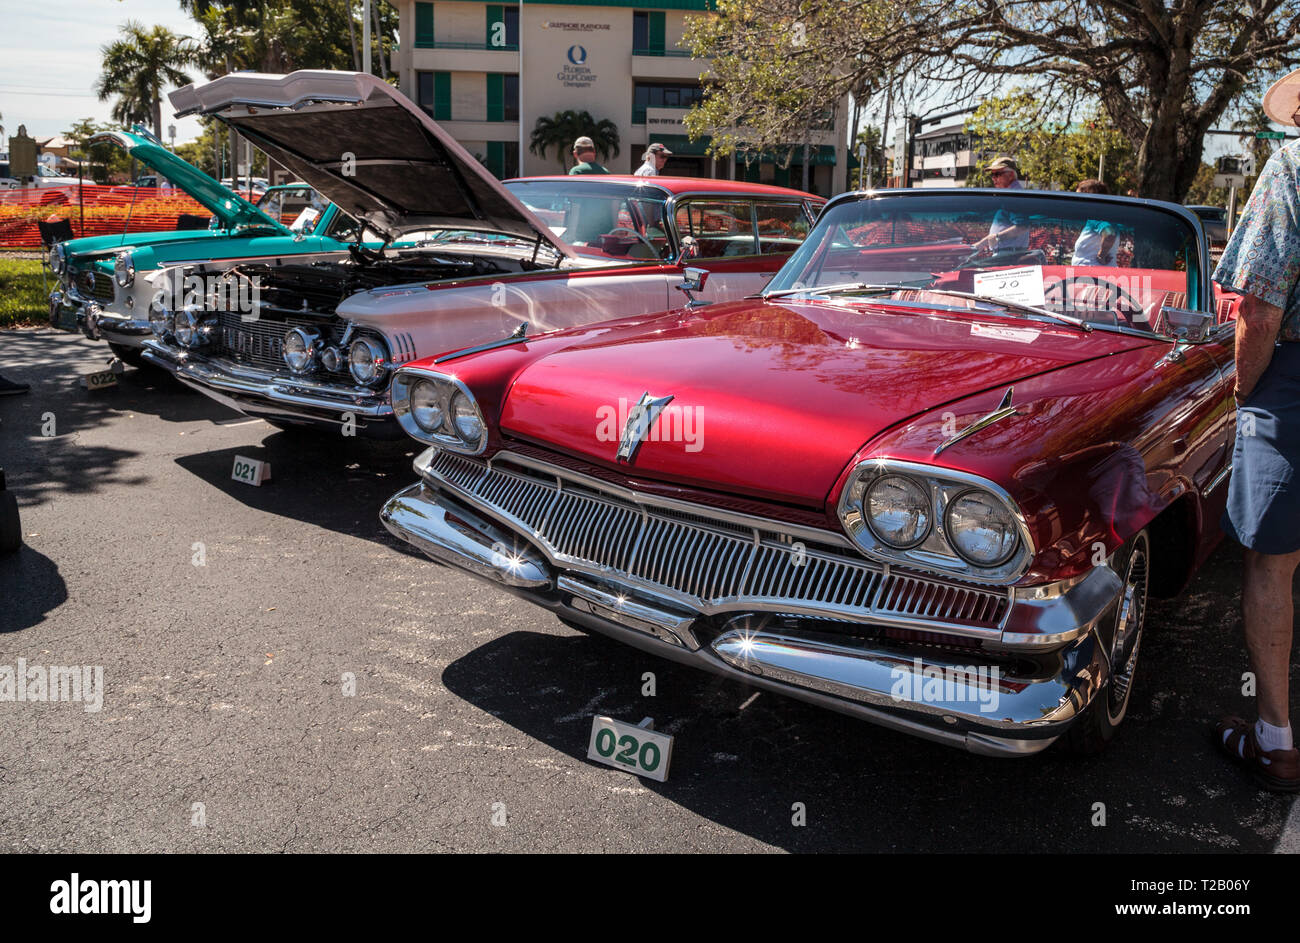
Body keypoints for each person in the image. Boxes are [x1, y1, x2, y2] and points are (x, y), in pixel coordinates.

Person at [1212, 67, 1300, 793]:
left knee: (1274, 561)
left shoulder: (1293, 164)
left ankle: (1276, 739)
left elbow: (1261, 310)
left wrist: (1244, 392)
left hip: (1295, 378)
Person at [970, 156, 1029, 253]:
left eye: (997, 174)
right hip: (1008, 254)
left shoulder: (1014, 196)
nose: (993, 178)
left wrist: (997, 237)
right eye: (992, 175)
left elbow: (1022, 227)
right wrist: (981, 244)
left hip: (1009, 256)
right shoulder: (1011, 194)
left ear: (1010, 175)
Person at [1071, 179, 1118, 266]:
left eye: (1078, 198)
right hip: (1093, 277)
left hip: (1091, 277)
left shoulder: (1096, 219)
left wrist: (1101, 255)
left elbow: (1110, 234)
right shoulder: (1106, 217)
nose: (1076, 202)